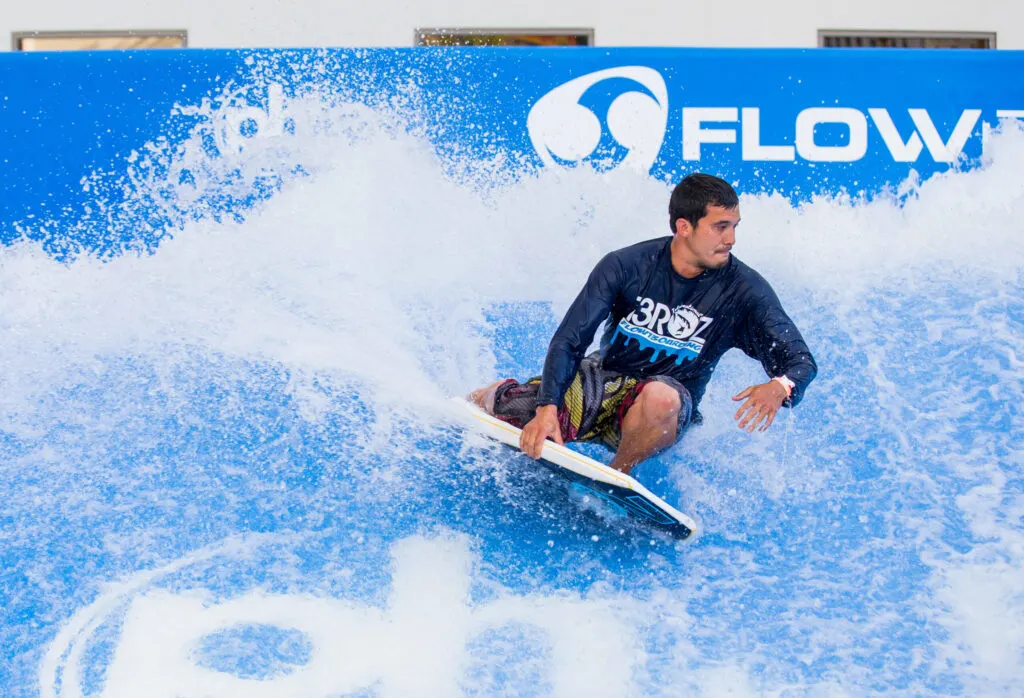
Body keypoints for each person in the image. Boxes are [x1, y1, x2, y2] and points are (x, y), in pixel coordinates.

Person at [469, 173, 817, 475]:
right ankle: (489, 394)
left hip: (668, 406)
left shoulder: (744, 292)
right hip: (604, 380)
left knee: (660, 398)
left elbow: (800, 361)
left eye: (734, 227)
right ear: (684, 227)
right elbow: (570, 340)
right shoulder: (626, 265)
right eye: (720, 227)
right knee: (514, 411)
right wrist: (547, 409)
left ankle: (618, 475)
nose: (731, 239)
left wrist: (781, 386)